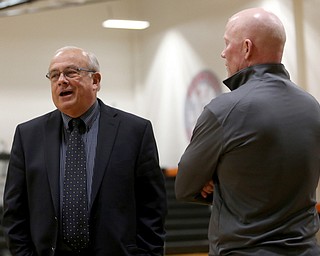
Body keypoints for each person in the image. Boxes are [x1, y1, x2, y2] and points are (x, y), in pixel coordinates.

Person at [175, 7, 320, 256]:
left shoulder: (225, 110)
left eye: (226, 43)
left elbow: (186, 187)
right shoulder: (312, 106)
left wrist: (219, 184)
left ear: (246, 48)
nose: (222, 52)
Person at [2, 46, 167, 256]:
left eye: (71, 72)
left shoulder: (134, 131)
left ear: (96, 81)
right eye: (54, 75)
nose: (61, 80)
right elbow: (14, 212)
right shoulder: (28, 136)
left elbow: (152, 208)